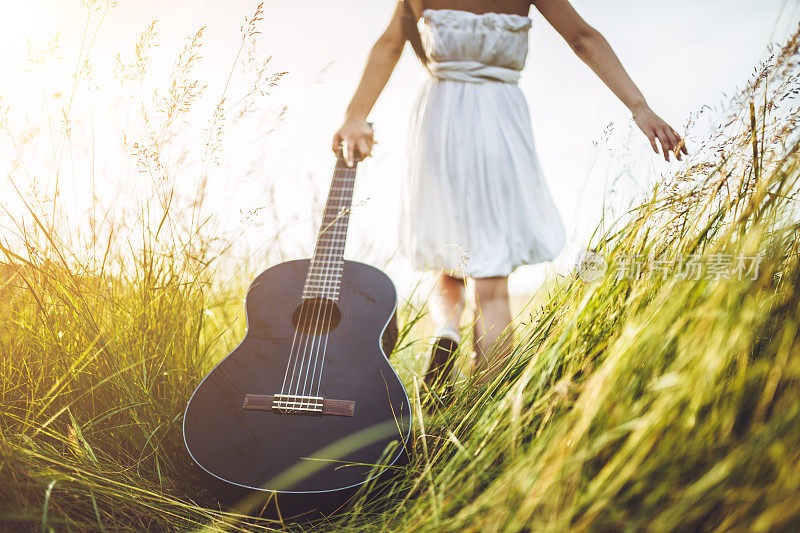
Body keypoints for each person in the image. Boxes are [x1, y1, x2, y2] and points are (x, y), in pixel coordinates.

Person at [332, 0, 687, 393]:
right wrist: (640, 108)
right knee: (492, 285)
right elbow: (583, 38)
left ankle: (448, 329)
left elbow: (389, 45)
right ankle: (486, 408)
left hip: (441, 121)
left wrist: (355, 114)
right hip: (499, 121)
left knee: (448, 256)